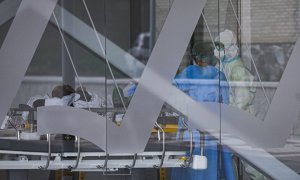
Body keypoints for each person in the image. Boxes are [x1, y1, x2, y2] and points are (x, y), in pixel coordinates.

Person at [171, 42, 235, 180]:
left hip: (192, 129)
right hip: (212, 128)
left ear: (195, 57)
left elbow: (170, 88)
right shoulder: (219, 76)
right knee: (210, 166)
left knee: (190, 165)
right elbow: (225, 105)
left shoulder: (190, 72)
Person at [214, 29, 256, 114]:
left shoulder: (238, 70)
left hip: (236, 116)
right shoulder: (223, 63)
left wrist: (232, 116)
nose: (217, 49)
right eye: (217, 46)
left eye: (220, 46)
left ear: (231, 48)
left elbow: (241, 101)